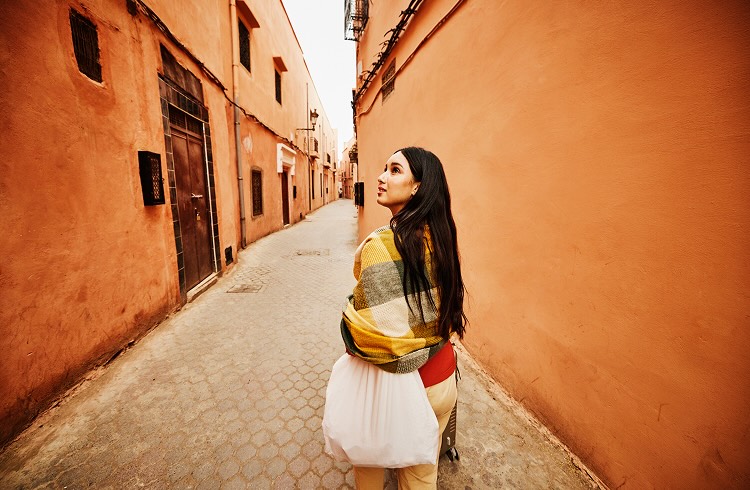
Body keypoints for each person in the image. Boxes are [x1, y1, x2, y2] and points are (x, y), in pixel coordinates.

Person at [340, 147, 468, 489]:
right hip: (442, 381)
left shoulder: (379, 246)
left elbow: (369, 335)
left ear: (416, 187)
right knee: (420, 476)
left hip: (397, 389)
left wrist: (347, 323)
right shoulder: (442, 240)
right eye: (384, 168)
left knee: (368, 465)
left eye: (395, 170)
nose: (381, 177)